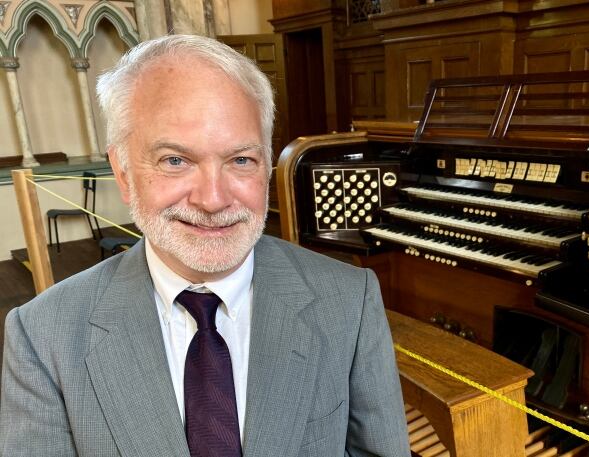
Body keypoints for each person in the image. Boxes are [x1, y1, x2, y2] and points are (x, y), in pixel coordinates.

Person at [0, 35, 410, 457]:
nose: (213, 200)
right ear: (123, 173)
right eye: (175, 160)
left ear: (266, 166)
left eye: (240, 160)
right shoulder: (42, 336)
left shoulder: (349, 300)